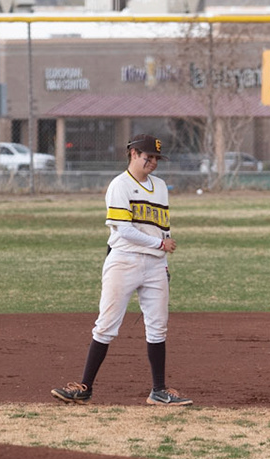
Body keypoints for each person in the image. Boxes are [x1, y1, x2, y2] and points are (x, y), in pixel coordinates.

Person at [52, 133, 194, 406]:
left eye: (156, 158)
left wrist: (163, 261)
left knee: (158, 327)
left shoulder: (160, 186)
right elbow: (125, 230)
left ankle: (158, 391)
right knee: (106, 325)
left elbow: (162, 227)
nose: (153, 162)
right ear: (133, 154)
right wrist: (160, 244)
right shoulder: (120, 185)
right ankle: (84, 387)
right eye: (148, 156)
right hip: (124, 260)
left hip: (155, 263)